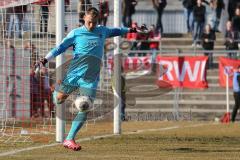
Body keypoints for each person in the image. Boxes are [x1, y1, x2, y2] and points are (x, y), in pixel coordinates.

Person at [38, 7, 138, 151]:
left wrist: (132, 30)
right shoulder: (76, 33)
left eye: (94, 23)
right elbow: (60, 47)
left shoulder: (102, 30)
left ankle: (69, 138)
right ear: (84, 18)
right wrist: (44, 60)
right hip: (74, 74)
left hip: (90, 78)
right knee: (58, 100)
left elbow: (116, 30)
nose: (92, 25)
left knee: (85, 106)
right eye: (90, 22)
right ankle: (57, 90)